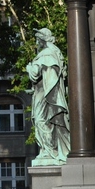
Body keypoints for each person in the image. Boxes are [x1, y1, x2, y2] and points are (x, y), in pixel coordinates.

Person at [25, 28, 71, 166]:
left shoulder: (46, 54)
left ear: (42, 40)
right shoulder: (54, 52)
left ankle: (50, 151)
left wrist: (28, 67)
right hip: (44, 93)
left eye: (37, 40)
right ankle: (50, 150)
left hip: (44, 95)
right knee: (46, 121)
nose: (36, 42)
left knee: (41, 121)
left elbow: (35, 73)